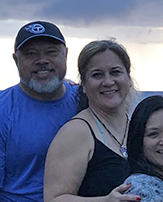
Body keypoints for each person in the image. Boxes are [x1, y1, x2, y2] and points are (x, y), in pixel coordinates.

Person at [0, 21, 79, 202]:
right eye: (31, 54)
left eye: (51, 52)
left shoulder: (85, 100)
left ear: (66, 54)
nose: (42, 60)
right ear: (16, 60)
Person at [44, 39, 142, 202]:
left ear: (129, 79)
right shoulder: (76, 133)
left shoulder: (137, 126)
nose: (108, 81)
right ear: (83, 85)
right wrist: (104, 201)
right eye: (97, 75)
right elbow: (53, 199)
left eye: (115, 72)